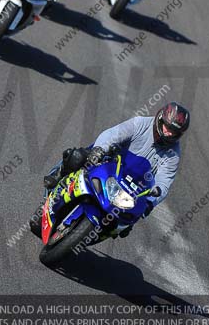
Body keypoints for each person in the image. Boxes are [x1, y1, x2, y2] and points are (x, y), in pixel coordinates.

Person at [31, 102, 190, 237]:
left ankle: (94, 234)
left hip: (131, 188)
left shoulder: (173, 155)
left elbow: (164, 182)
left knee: (131, 218)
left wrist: (150, 202)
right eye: (167, 127)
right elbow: (112, 135)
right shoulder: (140, 123)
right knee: (77, 157)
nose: (169, 133)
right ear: (160, 119)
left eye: (174, 132)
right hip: (108, 162)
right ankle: (59, 175)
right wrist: (100, 150)